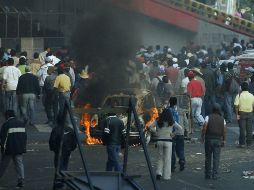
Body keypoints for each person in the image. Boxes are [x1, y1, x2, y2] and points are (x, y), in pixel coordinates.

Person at [0, 110, 27, 188]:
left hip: (9, 149)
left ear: (7, 116)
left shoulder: (6, 124)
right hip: (19, 148)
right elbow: (24, 137)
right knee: (19, 164)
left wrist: (3, 149)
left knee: (3, 166)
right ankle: (21, 181)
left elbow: (3, 139)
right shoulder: (21, 123)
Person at [49, 115, 77, 189]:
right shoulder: (70, 130)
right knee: (64, 167)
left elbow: (52, 141)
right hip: (67, 152)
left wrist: (55, 150)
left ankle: (58, 184)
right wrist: (70, 149)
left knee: (58, 169)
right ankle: (63, 183)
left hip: (59, 152)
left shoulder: (56, 129)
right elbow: (74, 143)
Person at [201, 104, 226, 180]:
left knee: (208, 157)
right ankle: (215, 175)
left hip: (209, 139)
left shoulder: (208, 117)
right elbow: (224, 131)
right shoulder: (222, 119)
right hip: (218, 140)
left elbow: (205, 127)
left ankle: (207, 174)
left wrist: (202, 137)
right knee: (216, 158)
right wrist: (224, 140)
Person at [155, 108, 174, 180]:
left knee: (160, 158)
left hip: (159, 140)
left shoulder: (158, 121)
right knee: (167, 159)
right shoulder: (171, 122)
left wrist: (156, 133)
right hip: (168, 141)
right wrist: (173, 134)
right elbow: (180, 128)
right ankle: (166, 176)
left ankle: (159, 173)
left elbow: (150, 126)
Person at [167, 97, 185, 172]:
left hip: (172, 133)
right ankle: (182, 160)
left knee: (172, 151)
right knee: (180, 149)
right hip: (180, 133)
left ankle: (172, 166)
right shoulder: (181, 111)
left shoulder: (168, 111)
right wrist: (186, 130)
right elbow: (186, 122)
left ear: (169, 102)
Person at [234, 82, 254, 148]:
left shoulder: (239, 95)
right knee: (249, 129)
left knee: (242, 129)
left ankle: (242, 143)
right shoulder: (251, 95)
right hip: (250, 113)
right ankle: (249, 144)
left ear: (241, 88)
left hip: (241, 113)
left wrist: (237, 115)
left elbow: (236, 106)